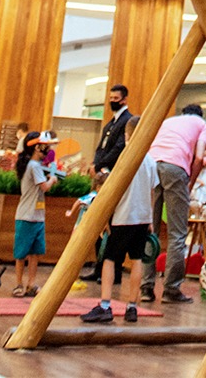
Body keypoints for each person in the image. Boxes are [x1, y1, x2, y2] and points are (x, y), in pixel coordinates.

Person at [82, 116, 157, 324]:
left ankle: (105, 305)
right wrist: (150, 217)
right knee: (137, 260)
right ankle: (132, 306)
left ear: (127, 136)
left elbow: (114, 191)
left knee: (109, 259)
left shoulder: (123, 159)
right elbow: (152, 192)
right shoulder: (150, 161)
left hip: (123, 217)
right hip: (142, 218)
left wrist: (106, 215)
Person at [140, 103, 206, 304]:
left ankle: (146, 288)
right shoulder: (201, 124)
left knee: (149, 230)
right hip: (175, 167)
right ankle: (171, 290)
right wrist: (190, 183)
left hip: (151, 165)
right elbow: (199, 157)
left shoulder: (169, 121)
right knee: (177, 233)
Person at [13, 131, 54, 297]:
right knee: (22, 253)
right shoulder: (34, 166)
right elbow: (44, 187)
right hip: (26, 216)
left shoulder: (34, 166)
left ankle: (31, 284)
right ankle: (18, 284)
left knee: (35, 253)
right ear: (37, 148)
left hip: (37, 216)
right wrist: (52, 179)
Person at [93, 86, 131, 174]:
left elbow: (118, 148)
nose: (112, 101)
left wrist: (99, 165)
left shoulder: (127, 120)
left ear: (124, 100)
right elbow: (101, 146)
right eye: (111, 98)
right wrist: (96, 164)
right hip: (101, 169)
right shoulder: (110, 123)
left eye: (116, 98)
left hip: (113, 169)